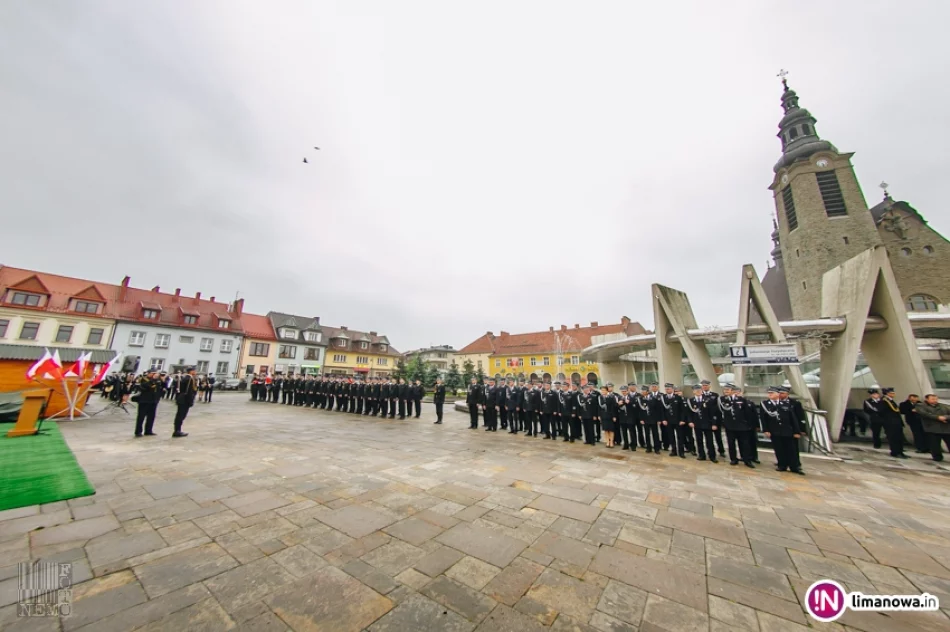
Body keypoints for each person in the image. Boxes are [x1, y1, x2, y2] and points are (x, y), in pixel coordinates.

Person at [761, 386, 804, 474]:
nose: (770, 394)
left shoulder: (786, 404)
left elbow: (793, 419)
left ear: (777, 394)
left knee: (791, 449)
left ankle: (794, 467)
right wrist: (766, 430)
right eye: (769, 393)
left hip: (787, 430)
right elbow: (763, 418)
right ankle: (782, 465)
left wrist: (796, 431)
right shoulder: (766, 404)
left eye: (772, 393)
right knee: (779, 449)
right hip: (775, 430)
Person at [719, 384, 755, 468]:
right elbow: (721, 412)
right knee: (731, 444)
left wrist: (748, 424)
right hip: (730, 426)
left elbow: (747, 413)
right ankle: (733, 459)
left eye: (729, 389)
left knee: (744, 444)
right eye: (725, 390)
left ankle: (747, 460)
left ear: (733, 391)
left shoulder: (741, 400)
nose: (727, 391)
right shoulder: (723, 400)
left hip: (742, 426)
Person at [686, 384, 718, 463]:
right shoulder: (691, 401)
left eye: (699, 390)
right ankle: (701, 455)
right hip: (697, 424)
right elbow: (689, 413)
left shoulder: (707, 400)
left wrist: (714, 424)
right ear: (693, 392)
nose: (698, 392)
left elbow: (713, 413)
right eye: (696, 391)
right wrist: (690, 421)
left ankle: (712, 456)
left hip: (707, 423)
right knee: (699, 440)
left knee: (709, 441)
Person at [917, 394, 950, 462]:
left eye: (936, 399)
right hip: (932, 428)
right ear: (927, 399)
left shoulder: (943, 406)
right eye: (932, 399)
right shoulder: (921, 406)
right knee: (934, 444)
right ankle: (937, 457)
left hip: (945, 428)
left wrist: (945, 417)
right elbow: (925, 414)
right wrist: (938, 418)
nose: (935, 400)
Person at [879, 388, 908, 459]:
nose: (893, 394)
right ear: (887, 393)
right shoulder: (884, 401)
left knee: (899, 438)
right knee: (893, 438)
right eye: (891, 393)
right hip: (890, 423)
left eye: (893, 393)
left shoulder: (891, 401)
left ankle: (900, 451)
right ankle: (895, 452)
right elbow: (883, 412)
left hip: (897, 423)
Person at [701, 380, 726, 457]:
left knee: (718, 437)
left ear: (709, 386)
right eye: (703, 385)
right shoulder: (700, 395)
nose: (705, 387)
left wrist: (716, 421)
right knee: (708, 438)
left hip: (715, 419)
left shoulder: (715, 395)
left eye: (706, 385)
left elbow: (717, 408)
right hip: (705, 420)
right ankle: (710, 451)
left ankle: (721, 450)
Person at [133, 369, 162, 437]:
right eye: (152, 373)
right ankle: (138, 431)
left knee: (151, 417)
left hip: (153, 401)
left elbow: (160, 388)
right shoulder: (143, 379)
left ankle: (148, 430)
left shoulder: (157, 380)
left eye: (155, 373)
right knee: (141, 417)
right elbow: (146, 386)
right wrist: (153, 380)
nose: (154, 375)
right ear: (148, 373)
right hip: (144, 400)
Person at [173, 366, 198, 437]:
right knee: (181, 415)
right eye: (194, 370)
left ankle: (177, 430)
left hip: (182, 399)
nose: (195, 372)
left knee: (180, 415)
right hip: (185, 400)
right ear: (191, 371)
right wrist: (190, 401)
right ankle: (177, 431)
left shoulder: (185, 378)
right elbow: (189, 391)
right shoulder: (189, 379)